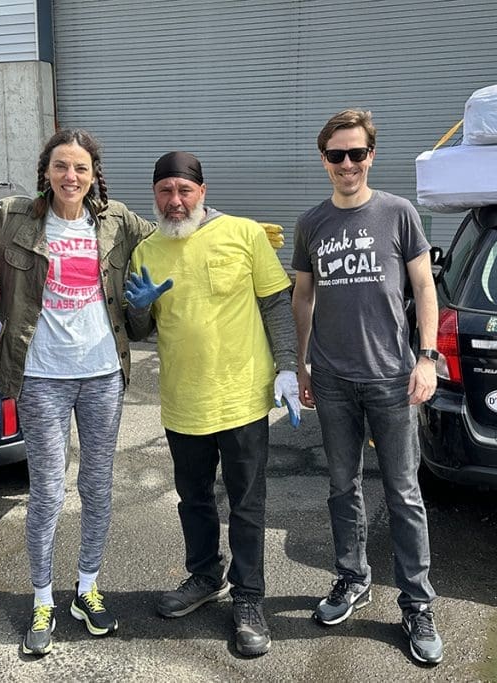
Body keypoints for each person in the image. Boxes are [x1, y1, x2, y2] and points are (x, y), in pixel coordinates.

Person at [0, 128, 157, 655]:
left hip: (102, 374)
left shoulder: (118, 221)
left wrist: (232, 231)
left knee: (98, 487)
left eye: (80, 168)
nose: (70, 177)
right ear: (45, 171)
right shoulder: (12, 216)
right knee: (48, 492)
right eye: (60, 167)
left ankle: (88, 588)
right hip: (40, 376)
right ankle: (43, 598)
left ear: (94, 173)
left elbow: (172, 235)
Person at [125, 151, 300, 657]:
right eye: (165, 191)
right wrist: (136, 310)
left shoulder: (244, 234)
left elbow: (275, 304)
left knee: (247, 503)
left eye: (184, 190)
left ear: (202, 191)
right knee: (194, 498)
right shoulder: (146, 250)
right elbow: (141, 327)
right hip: (183, 400)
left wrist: (287, 367)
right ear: (154, 196)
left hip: (242, 397)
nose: (175, 201)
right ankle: (205, 577)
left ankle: (248, 599)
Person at [290, 109, 444, 664]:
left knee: (404, 493)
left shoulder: (398, 213)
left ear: (372, 156)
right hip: (332, 380)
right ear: (324, 160)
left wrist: (427, 358)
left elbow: (425, 288)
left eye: (357, 153)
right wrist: (301, 364)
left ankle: (416, 602)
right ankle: (351, 578)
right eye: (337, 155)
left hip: (392, 379)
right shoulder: (311, 223)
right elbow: (302, 297)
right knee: (341, 487)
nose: (348, 164)